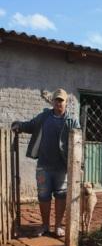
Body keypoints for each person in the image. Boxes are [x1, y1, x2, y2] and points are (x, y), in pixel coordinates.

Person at [12, 88, 80, 237]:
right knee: (43, 196)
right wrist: (19, 126)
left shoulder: (72, 121)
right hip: (43, 166)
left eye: (61, 101)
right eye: (56, 100)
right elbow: (30, 125)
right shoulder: (44, 117)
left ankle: (57, 226)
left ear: (66, 103)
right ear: (53, 101)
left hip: (62, 167)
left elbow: (78, 142)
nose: (58, 103)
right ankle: (44, 225)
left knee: (61, 196)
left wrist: (78, 163)